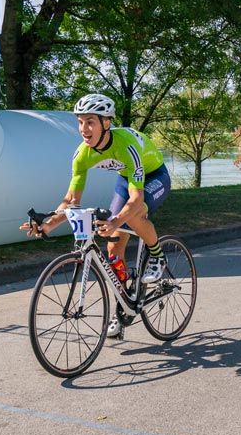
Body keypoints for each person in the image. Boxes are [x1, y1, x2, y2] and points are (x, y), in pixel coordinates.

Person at [20, 93, 171, 339]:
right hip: (127, 179)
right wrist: (48, 225)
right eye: (80, 122)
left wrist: (114, 221)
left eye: (90, 122)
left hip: (154, 177)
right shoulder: (82, 155)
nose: (83, 129)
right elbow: (70, 201)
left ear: (106, 123)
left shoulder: (126, 145)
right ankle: (123, 308)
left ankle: (157, 255)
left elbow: (136, 200)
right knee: (113, 253)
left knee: (132, 216)